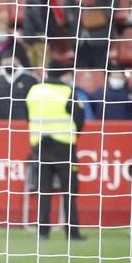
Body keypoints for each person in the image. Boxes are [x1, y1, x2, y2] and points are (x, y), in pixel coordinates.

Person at [26, 61, 86, 240]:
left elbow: (27, 115)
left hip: (40, 146)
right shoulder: (67, 91)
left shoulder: (34, 90)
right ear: (64, 74)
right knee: (69, 191)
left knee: (44, 190)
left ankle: (43, 231)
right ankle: (72, 232)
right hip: (64, 147)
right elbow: (80, 119)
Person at [0, 54, 38, 121]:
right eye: (6, 61)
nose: (9, 64)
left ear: (18, 60)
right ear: (1, 62)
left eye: (11, 61)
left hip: (24, 122)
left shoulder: (31, 78)